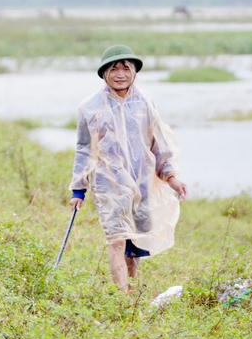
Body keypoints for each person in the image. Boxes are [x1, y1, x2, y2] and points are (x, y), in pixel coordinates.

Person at [69, 45, 189, 292]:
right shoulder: (90, 108)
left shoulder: (144, 102)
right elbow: (84, 150)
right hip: (110, 184)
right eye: (114, 68)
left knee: (134, 244)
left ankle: (132, 289)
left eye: (126, 68)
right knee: (116, 240)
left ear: (134, 73)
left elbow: (159, 142)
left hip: (143, 183)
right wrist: (78, 190)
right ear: (104, 74)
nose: (120, 73)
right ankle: (121, 298)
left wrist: (171, 176)